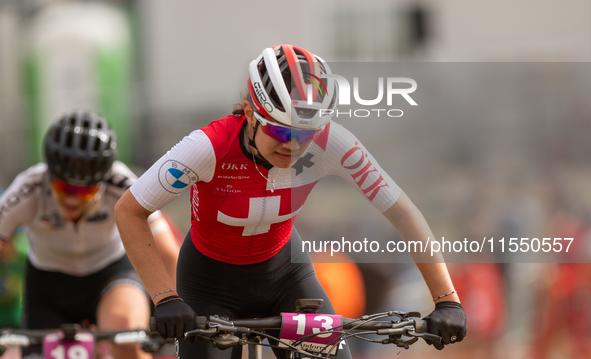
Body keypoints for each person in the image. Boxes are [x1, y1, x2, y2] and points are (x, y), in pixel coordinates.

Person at [115, 44, 467, 358]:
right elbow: (129, 210)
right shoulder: (207, 147)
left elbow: (403, 212)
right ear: (252, 113)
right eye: (282, 130)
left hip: (285, 274)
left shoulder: (332, 142)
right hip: (209, 282)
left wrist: (446, 299)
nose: (294, 146)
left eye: (306, 134)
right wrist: (164, 297)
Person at [0, 110, 180, 359]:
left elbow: (168, 250)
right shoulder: (29, 186)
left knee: (125, 337)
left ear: (102, 181)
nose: (73, 199)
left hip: (110, 273)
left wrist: (176, 303)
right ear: (50, 176)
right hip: (48, 283)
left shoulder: (121, 181)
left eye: (85, 191)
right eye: (64, 188)